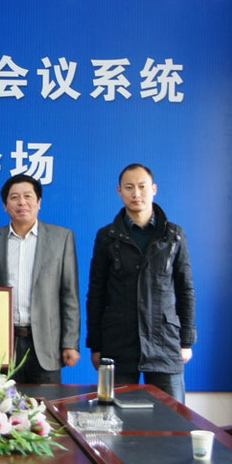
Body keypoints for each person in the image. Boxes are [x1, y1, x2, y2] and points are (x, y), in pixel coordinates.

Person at [86, 163, 196, 403]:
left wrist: (186, 341)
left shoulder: (174, 235)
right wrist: (95, 345)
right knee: (116, 414)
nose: (136, 193)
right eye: (129, 187)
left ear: (154, 189)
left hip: (165, 341)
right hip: (119, 342)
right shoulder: (107, 236)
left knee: (173, 416)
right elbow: (96, 293)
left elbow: (185, 290)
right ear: (119, 192)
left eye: (142, 187)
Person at [0, 174, 81, 383]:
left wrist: (70, 343)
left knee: (48, 403)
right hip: (4, 345)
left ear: (39, 202)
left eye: (28, 196)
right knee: (2, 401)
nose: (22, 202)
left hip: (46, 344)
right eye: (14, 197)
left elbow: (69, 295)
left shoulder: (61, 238)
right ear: (5, 205)